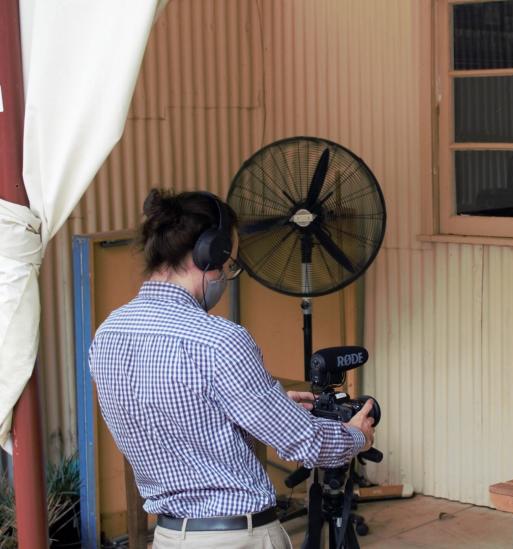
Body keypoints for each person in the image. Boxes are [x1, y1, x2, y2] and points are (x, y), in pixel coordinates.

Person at [88, 189, 376, 548]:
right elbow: (304, 442)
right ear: (211, 254)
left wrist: (259, 407)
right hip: (238, 537)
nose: (228, 276)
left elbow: (176, 416)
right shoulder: (219, 340)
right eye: (231, 265)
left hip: (167, 536)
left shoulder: (108, 334)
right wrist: (355, 436)